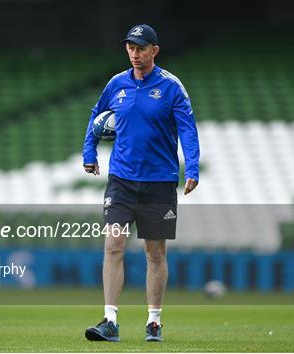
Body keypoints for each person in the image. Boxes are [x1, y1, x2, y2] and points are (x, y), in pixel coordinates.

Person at [82, 24, 200, 342]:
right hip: (121, 180)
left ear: (154, 51)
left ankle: (154, 321)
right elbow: (96, 116)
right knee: (113, 245)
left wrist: (192, 168)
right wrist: (89, 151)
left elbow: (187, 128)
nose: (135, 53)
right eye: (131, 47)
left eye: (141, 48)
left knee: (155, 253)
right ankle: (109, 320)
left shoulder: (172, 87)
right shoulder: (116, 84)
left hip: (159, 181)